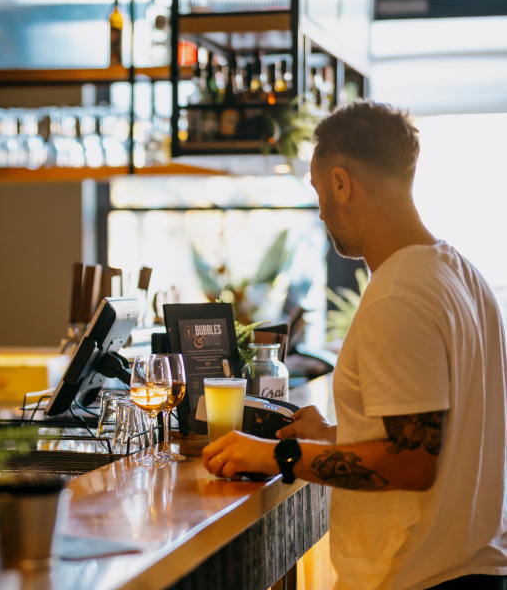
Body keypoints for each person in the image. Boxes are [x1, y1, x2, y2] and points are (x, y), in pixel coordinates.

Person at [203, 101, 507, 589]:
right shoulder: (462, 275)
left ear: (342, 183)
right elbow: (430, 434)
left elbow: (411, 463)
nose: (321, 210)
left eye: (319, 190)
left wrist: (275, 455)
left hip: (415, 579)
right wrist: (329, 435)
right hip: (471, 567)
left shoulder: (398, 293)